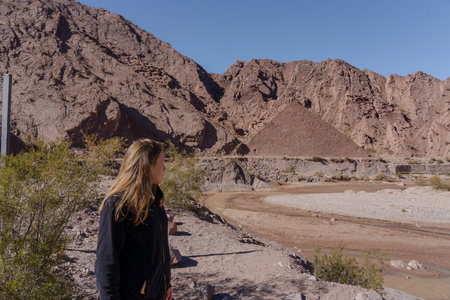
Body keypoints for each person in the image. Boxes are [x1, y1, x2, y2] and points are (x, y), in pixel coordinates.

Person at [95, 139, 172, 300]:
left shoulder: (155, 199)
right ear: (147, 165)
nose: (164, 168)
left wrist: (166, 284)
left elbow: (161, 247)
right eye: (161, 162)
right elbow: (107, 262)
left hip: (157, 294)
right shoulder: (117, 205)